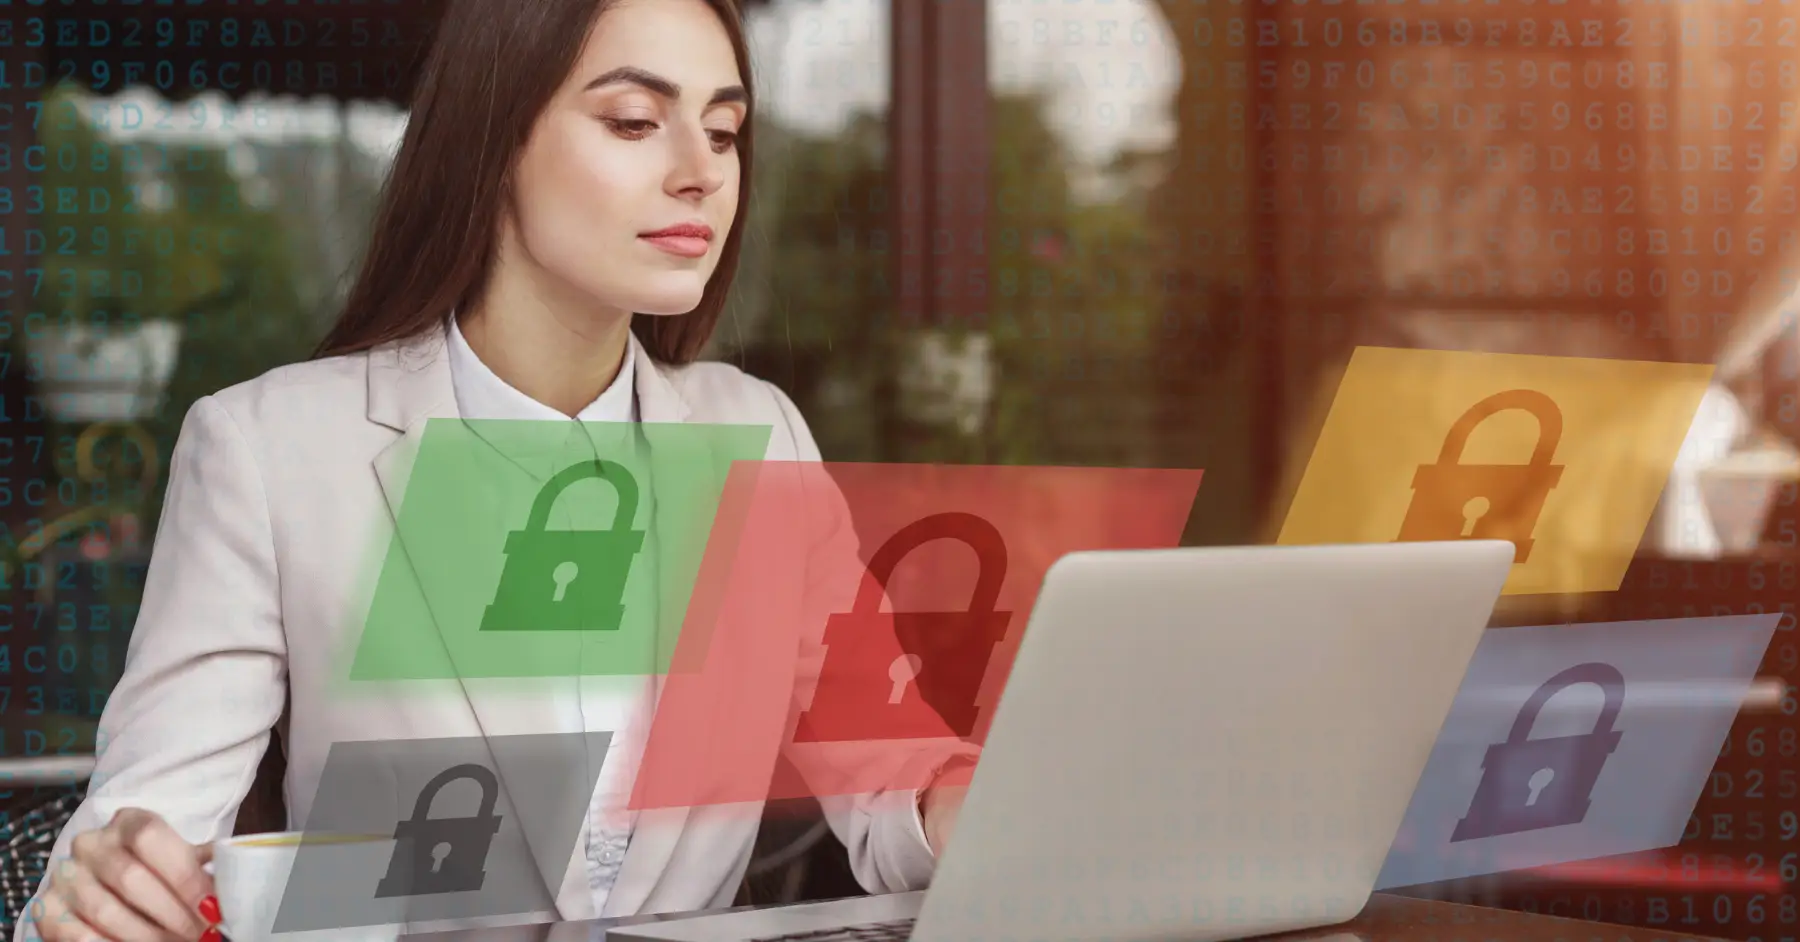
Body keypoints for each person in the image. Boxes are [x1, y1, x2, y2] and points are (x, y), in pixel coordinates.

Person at [17, 1, 977, 940]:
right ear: (497, 141)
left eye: (724, 132)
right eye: (635, 122)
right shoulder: (267, 451)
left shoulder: (759, 434)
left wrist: (961, 800)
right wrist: (109, 893)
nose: (700, 174)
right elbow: (143, 840)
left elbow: (886, 763)